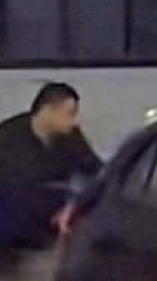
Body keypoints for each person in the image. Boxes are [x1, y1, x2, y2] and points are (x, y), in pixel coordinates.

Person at [0, 83, 103, 251]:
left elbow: (96, 171)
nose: (76, 120)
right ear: (48, 111)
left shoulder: (71, 137)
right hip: (15, 218)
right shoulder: (7, 138)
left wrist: (74, 205)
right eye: (70, 114)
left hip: (57, 212)